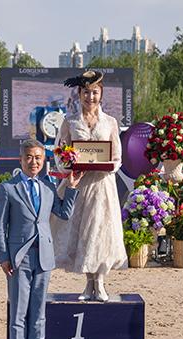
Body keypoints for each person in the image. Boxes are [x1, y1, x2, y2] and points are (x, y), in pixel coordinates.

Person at [0, 139, 82, 339]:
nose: (34, 162)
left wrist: (71, 188)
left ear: (44, 161)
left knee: (38, 311)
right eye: (29, 157)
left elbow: (64, 213)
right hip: (18, 259)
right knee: (19, 311)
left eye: (38, 158)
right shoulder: (7, 188)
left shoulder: (48, 187)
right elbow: (0, 226)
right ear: (21, 160)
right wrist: (3, 256)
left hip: (44, 257)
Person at [51, 70, 128, 302]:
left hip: (102, 185)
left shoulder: (111, 122)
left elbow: (117, 156)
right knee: (82, 232)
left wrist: (108, 166)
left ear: (101, 94)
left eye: (94, 92)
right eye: (86, 92)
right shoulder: (70, 121)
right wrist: (68, 164)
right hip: (80, 184)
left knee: (100, 231)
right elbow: (59, 150)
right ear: (79, 94)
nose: (90, 97)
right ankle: (87, 283)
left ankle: (101, 282)